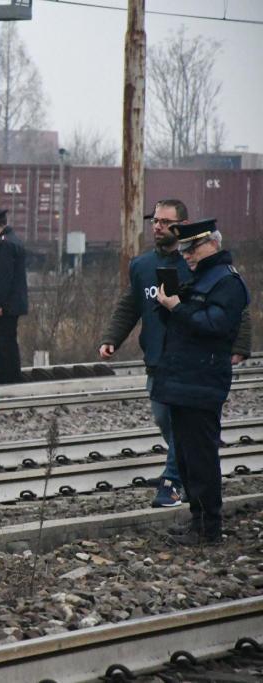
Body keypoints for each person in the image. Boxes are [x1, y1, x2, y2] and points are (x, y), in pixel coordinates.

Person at [99, 199, 252, 509]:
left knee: (184, 423)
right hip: (157, 357)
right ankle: (187, 472)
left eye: (166, 222)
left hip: (190, 361)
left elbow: (236, 308)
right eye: (155, 221)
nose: (158, 227)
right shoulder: (142, 266)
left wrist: (240, 345)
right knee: (165, 419)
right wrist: (111, 338)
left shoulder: (197, 266)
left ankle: (173, 482)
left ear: (181, 226)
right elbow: (130, 305)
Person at [152, 218, 249, 545]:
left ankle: (210, 528)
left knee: (202, 457)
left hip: (202, 381)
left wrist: (178, 308)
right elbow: (185, 325)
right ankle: (197, 519)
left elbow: (215, 326)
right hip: (183, 380)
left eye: (191, 248)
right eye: (183, 250)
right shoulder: (199, 278)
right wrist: (167, 306)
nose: (187, 255)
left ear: (212, 243)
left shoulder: (227, 282)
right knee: (188, 458)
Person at [0, 205, 28, 385]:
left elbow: (4, 276)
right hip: (14, 303)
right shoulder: (12, 240)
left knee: (4, 339)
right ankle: (6, 374)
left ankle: (8, 376)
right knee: (7, 337)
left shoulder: (6, 244)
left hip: (7, 304)